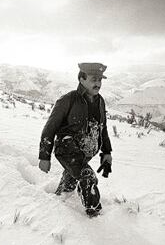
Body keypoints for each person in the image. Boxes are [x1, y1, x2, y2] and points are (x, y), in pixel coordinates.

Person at [38, 62, 112, 217]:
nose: (98, 84)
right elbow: (49, 129)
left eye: (100, 80)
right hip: (66, 149)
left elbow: (102, 128)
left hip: (85, 152)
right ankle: (95, 216)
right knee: (87, 176)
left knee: (70, 181)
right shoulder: (68, 100)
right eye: (93, 79)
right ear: (81, 79)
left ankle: (59, 198)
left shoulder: (100, 101)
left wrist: (107, 151)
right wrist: (44, 157)